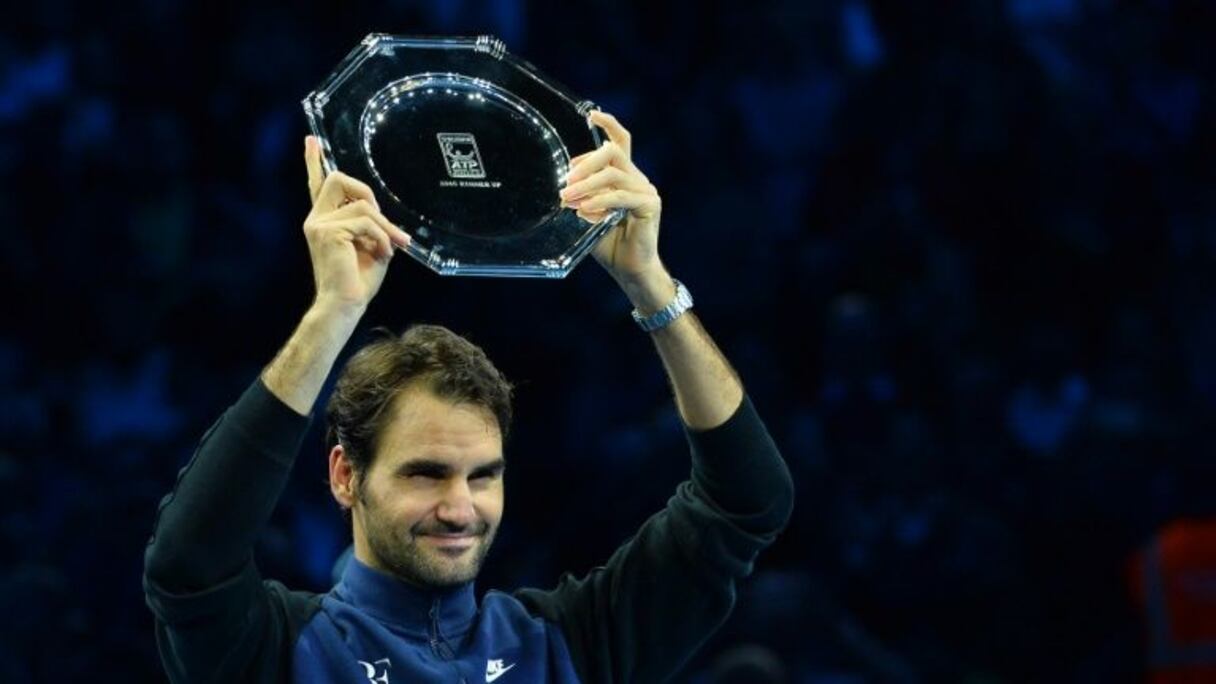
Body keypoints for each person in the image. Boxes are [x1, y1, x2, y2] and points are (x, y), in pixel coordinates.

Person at [142, 111, 795, 683]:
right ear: (345, 475)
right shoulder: (280, 652)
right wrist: (333, 311)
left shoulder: (569, 645)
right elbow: (188, 561)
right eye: (425, 473)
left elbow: (747, 500)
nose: (460, 508)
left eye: (483, 475)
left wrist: (648, 281)